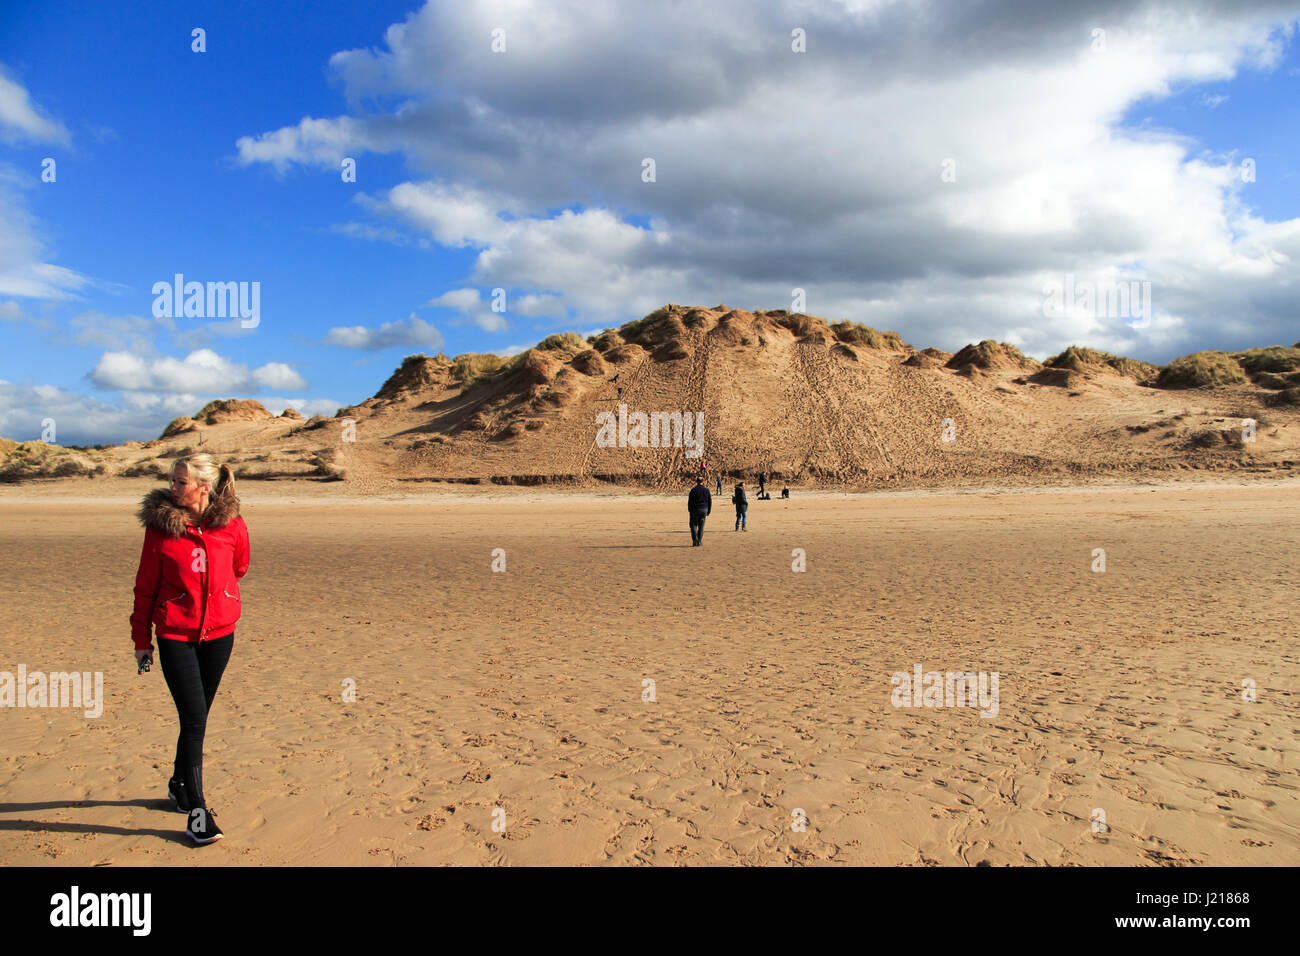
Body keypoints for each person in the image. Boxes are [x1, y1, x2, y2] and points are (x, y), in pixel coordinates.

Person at [130, 454, 249, 846]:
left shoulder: (232, 525)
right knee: (195, 718)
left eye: (181, 481)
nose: (173, 486)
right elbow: (146, 586)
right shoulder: (160, 529)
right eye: (172, 480)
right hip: (175, 636)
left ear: (203, 486)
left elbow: (240, 566)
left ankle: (179, 784)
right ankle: (197, 810)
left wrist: (221, 594)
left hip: (220, 635)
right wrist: (141, 641)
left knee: (196, 717)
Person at [687, 475, 711, 546]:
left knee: (693, 525)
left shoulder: (693, 490)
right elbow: (709, 501)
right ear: (703, 482)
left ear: (696, 482)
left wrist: (689, 509)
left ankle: (695, 539)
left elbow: (690, 501)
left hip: (695, 509)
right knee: (701, 526)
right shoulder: (706, 490)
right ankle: (699, 541)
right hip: (704, 509)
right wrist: (709, 510)